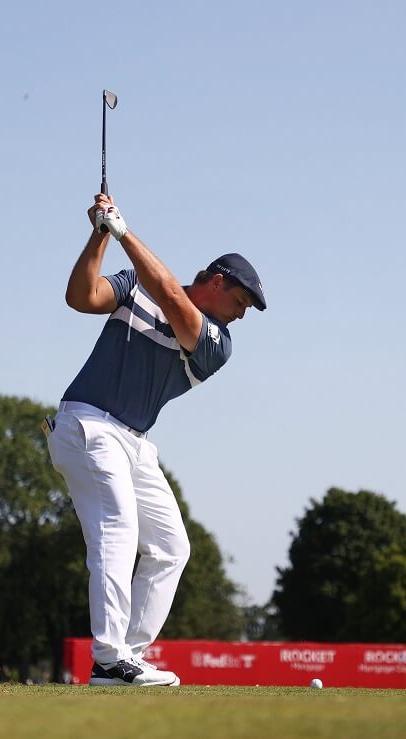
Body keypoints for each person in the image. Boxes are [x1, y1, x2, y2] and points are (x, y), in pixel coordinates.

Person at [45, 193, 266, 687]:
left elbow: (170, 295)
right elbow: (81, 298)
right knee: (118, 529)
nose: (242, 315)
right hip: (89, 424)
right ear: (216, 282)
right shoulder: (133, 288)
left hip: (135, 443)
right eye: (241, 302)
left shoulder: (216, 342)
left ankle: (126, 656)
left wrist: (123, 230)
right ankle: (109, 657)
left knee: (171, 548)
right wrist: (100, 235)